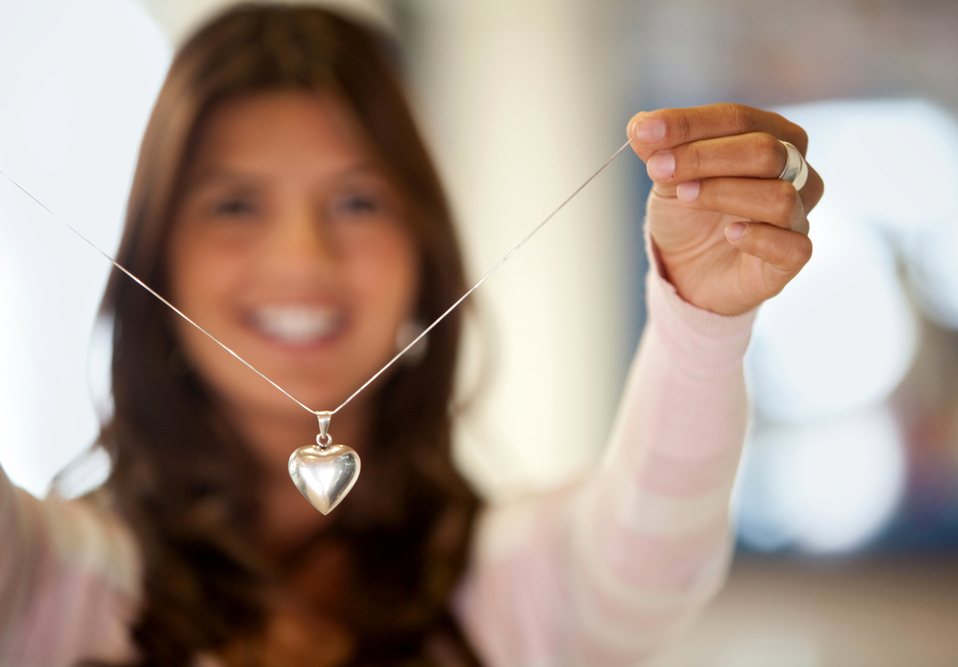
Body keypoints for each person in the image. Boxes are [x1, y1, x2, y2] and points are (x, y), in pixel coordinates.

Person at [0, 4, 822, 667]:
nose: (302, 257)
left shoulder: (521, 584)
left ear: (422, 251)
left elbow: (654, 545)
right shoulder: (46, 578)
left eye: (357, 201)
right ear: (158, 256)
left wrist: (701, 315)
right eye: (235, 205)